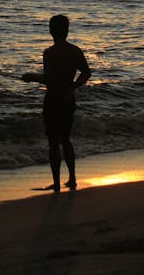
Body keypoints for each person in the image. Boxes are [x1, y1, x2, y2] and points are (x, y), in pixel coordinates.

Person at [22, 14, 91, 192]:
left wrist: (32, 77)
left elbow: (50, 80)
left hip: (53, 100)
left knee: (53, 141)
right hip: (68, 100)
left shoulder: (50, 53)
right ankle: (73, 179)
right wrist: (73, 87)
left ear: (51, 31)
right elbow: (86, 73)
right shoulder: (75, 51)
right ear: (66, 31)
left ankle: (57, 183)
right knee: (66, 140)